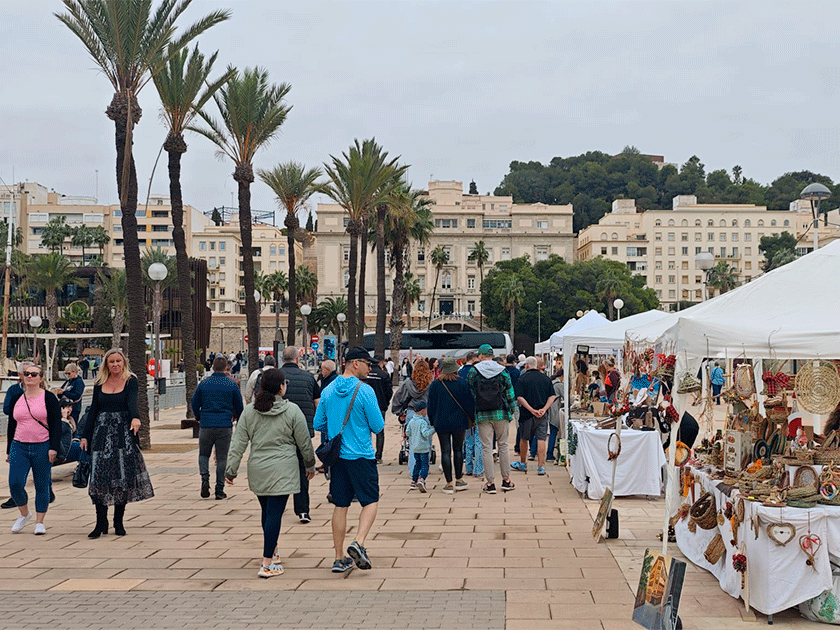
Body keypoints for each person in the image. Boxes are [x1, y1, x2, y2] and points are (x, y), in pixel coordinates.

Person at [225, 368, 315, 578]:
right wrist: (309, 464)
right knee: (274, 514)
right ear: (281, 387)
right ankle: (267, 562)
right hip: (283, 468)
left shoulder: (250, 412)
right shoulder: (292, 411)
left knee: (267, 512)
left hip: (258, 468)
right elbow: (304, 442)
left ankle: (273, 550)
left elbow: (238, 443)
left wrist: (231, 469)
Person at [313, 347, 384, 573]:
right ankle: (359, 542)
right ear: (354, 363)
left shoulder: (328, 390)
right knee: (370, 501)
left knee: (340, 505)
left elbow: (318, 423)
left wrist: (335, 425)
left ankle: (338, 557)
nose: (370, 368)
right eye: (367, 364)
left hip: (337, 458)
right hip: (361, 454)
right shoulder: (365, 391)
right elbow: (378, 426)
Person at [81, 349, 154, 539]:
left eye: (118, 361)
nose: (115, 365)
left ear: (124, 363)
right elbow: (93, 410)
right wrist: (84, 436)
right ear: (106, 364)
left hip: (122, 432)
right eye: (111, 361)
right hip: (101, 432)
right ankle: (100, 522)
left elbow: (132, 402)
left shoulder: (130, 380)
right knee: (99, 476)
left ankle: (118, 521)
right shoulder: (99, 382)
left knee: (122, 475)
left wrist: (136, 418)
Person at [5, 361, 61, 534]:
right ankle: (24, 513)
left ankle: (39, 521)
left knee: (41, 484)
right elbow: (11, 425)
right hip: (19, 445)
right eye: (27, 374)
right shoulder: (16, 397)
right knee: (15, 482)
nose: (29, 376)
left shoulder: (48, 398)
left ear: (41, 378)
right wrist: (8, 450)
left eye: (34, 374)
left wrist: (53, 447)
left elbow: (56, 424)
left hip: (42, 446)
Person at [191, 355, 244, 500]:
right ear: (226, 368)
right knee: (222, 458)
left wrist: (199, 416)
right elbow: (239, 406)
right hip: (224, 425)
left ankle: (204, 479)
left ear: (213, 367)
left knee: (203, 454)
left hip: (206, 424)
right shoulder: (231, 385)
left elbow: (194, 402)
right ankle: (219, 489)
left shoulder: (204, 383)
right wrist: (238, 420)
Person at [280, 346, 321, 524]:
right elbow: (317, 402)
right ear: (297, 359)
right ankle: (303, 510)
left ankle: (277, 507)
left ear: (282, 359)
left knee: (280, 470)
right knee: (303, 470)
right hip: (303, 430)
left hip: (280, 433)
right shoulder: (308, 377)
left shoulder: (275, 376)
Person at [468, 344, 515, 494]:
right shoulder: (502, 370)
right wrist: (511, 411)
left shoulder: (474, 371)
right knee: (503, 445)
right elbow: (510, 392)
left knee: (486, 448)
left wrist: (474, 412)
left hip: (482, 414)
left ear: (481, 356)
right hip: (501, 413)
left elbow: (470, 392)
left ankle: (490, 483)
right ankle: (506, 480)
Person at [428, 356, 473, 494]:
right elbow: (469, 403)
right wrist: (472, 418)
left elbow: (431, 405)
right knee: (458, 449)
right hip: (459, 421)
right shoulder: (462, 383)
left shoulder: (435, 384)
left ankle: (448, 483)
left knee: (445, 451)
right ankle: (459, 479)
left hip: (441, 421)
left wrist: (432, 420)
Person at [511, 357, 556, 476]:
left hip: (526, 414)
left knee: (524, 438)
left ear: (526, 365)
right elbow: (552, 396)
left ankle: (523, 463)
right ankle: (541, 466)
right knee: (541, 439)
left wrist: (531, 410)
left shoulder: (522, 378)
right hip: (542, 414)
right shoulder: (546, 379)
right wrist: (544, 409)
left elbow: (519, 397)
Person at [391, 358, 433, 465]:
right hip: (426, 412)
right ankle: (424, 466)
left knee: (412, 441)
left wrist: (398, 411)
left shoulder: (408, 383)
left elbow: (398, 397)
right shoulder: (431, 384)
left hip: (411, 412)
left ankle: (413, 465)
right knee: (427, 440)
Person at [365, 355, 393, 464]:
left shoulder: (366, 374)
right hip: (380, 406)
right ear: (381, 363)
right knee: (380, 432)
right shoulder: (384, 374)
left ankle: (366, 453)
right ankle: (378, 456)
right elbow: (389, 391)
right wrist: (386, 403)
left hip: (366, 406)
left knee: (365, 430)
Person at [405, 400, 434, 492]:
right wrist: (433, 430)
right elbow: (425, 434)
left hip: (415, 448)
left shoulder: (411, 421)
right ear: (422, 411)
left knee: (417, 464)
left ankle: (414, 481)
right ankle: (422, 479)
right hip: (423, 447)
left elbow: (407, 432)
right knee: (425, 464)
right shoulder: (423, 422)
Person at [55, 363, 85, 428]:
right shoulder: (68, 381)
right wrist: (60, 393)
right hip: (64, 407)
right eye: (66, 374)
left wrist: (64, 392)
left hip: (74, 408)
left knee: (72, 426)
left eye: (69, 373)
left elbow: (77, 395)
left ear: (74, 372)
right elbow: (61, 394)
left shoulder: (79, 382)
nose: (67, 375)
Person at [547, 369, 565, 463]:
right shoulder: (559, 385)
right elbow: (566, 397)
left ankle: (533, 452)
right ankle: (549, 454)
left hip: (548, 408)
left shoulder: (551, 382)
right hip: (554, 410)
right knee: (553, 431)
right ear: (562, 376)